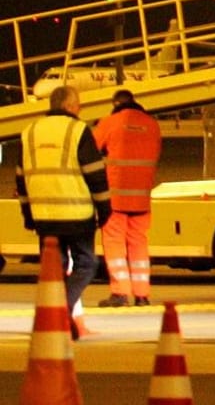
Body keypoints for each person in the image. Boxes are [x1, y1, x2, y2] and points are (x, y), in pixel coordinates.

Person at [16, 83, 110, 335]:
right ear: (70, 106)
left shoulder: (29, 132)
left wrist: (28, 214)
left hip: (44, 217)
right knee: (87, 264)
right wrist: (104, 208)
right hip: (77, 213)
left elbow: (21, 178)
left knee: (53, 271)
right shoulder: (78, 130)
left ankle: (55, 314)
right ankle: (62, 310)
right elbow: (95, 174)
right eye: (78, 105)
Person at [92, 87, 162, 307]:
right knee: (139, 245)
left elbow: (92, 150)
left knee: (114, 245)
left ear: (115, 104)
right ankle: (142, 295)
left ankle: (120, 293)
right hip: (142, 198)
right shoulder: (152, 125)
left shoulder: (109, 122)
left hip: (115, 198)